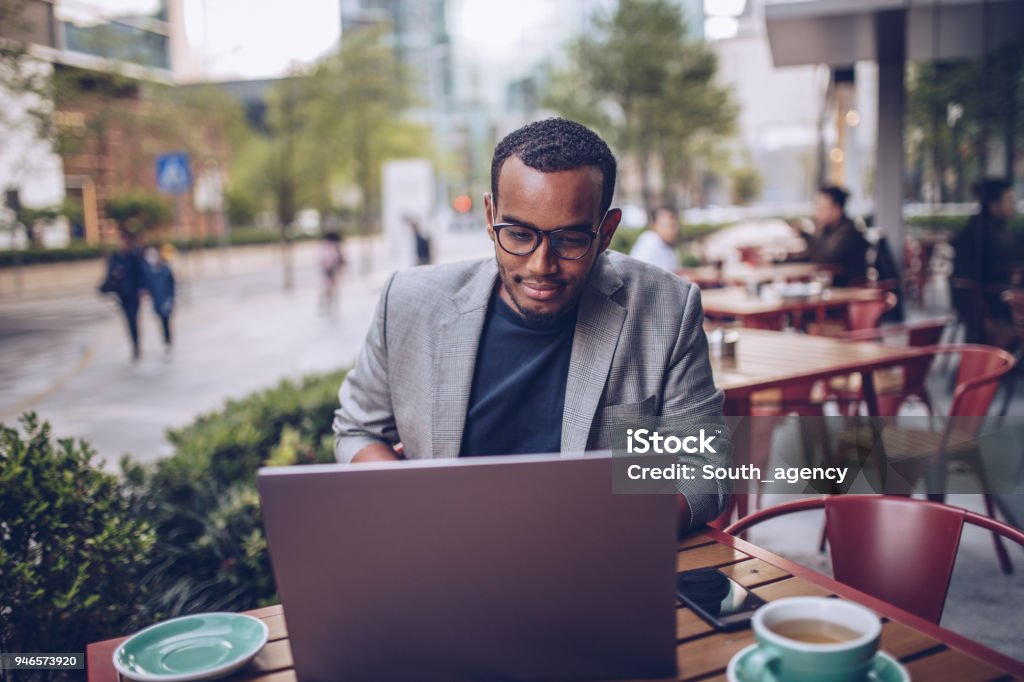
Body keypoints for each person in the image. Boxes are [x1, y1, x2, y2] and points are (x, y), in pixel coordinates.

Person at [333, 118, 727, 531]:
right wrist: (414, 497)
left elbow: (706, 469)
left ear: (606, 231)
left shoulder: (666, 307)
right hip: (443, 554)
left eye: (570, 240)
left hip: (591, 558)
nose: (541, 266)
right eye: (519, 234)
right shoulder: (409, 302)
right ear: (490, 215)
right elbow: (358, 429)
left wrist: (605, 528)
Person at [949, 178, 1021, 344]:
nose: (1014, 205)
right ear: (993, 205)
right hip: (994, 312)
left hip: (978, 310)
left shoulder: (977, 227)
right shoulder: (989, 235)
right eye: (1010, 200)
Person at [792, 184, 869, 287]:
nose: (818, 212)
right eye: (817, 207)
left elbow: (825, 259)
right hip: (832, 289)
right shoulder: (828, 229)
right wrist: (777, 262)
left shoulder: (848, 232)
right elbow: (811, 255)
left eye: (823, 208)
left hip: (849, 292)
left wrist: (805, 235)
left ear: (837, 209)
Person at [99, 230, 149, 361]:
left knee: (133, 319)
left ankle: (136, 346)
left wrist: (143, 289)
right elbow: (108, 276)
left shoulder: (134, 257)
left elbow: (141, 274)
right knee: (128, 321)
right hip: (121, 295)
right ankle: (134, 344)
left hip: (134, 294)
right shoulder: (114, 258)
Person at [144, 244, 176, 353]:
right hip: (157, 302)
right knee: (162, 321)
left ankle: (168, 340)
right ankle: (166, 340)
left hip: (167, 300)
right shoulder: (149, 272)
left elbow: (172, 284)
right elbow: (147, 287)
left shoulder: (165, 269)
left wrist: (171, 299)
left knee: (166, 321)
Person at [629, 207, 682, 272]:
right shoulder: (649, 242)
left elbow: (674, 272)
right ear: (655, 225)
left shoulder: (666, 244)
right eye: (671, 226)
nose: (675, 230)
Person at [318, 230, 346, 313]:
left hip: (330, 269)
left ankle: (327, 301)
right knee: (329, 286)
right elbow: (334, 258)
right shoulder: (330, 247)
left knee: (329, 286)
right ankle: (326, 301)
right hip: (328, 269)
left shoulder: (326, 247)